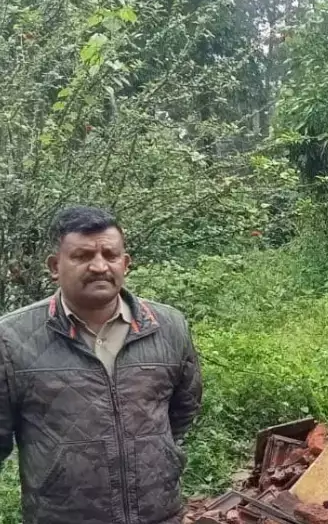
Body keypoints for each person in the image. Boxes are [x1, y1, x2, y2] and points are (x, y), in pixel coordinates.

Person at [0, 205, 203, 524]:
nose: (99, 266)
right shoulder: (12, 338)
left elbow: (183, 408)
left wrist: (161, 453)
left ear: (125, 263)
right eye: (82, 256)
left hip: (160, 514)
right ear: (55, 266)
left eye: (110, 255)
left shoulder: (168, 326)